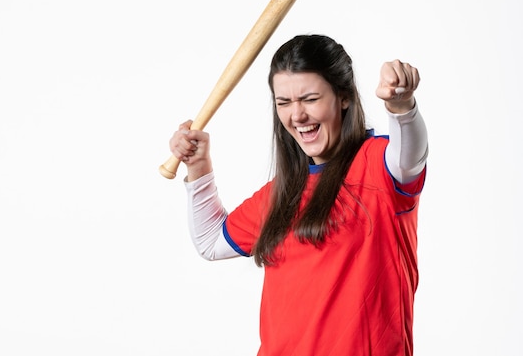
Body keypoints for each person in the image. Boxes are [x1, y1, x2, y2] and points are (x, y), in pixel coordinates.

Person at [168, 34, 428, 356]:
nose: (297, 115)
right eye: (284, 102)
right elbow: (210, 241)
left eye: (310, 98)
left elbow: (410, 156)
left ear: (343, 97)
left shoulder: (378, 167)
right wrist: (199, 166)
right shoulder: (282, 193)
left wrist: (401, 107)